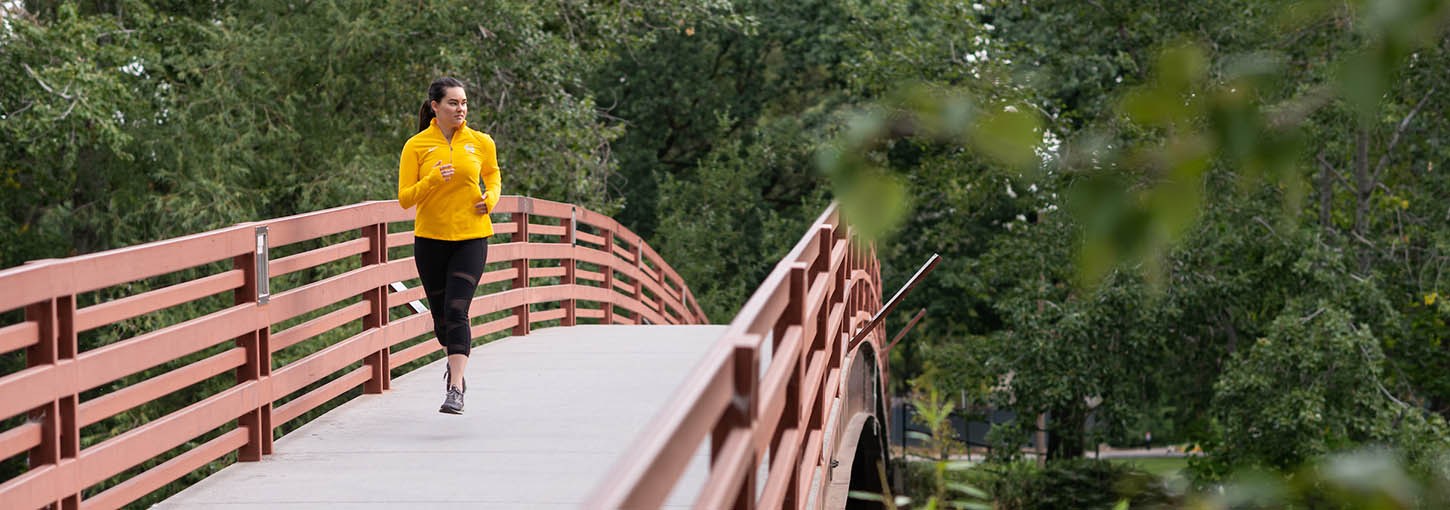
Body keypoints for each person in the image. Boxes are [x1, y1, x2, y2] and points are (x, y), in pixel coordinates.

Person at [397, 77, 501, 414]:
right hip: (430, 240)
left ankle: (455, 388)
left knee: (458, 310)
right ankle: (454, 363)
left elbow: (494, 175)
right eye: (454, 103)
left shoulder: (480, 142)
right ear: (435, 106)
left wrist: (492, 198)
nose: (461, 109)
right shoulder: (416, 146)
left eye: (464, 103)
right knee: (443, 321)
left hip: (471, 236)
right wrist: (430, 180)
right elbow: (404, 199)